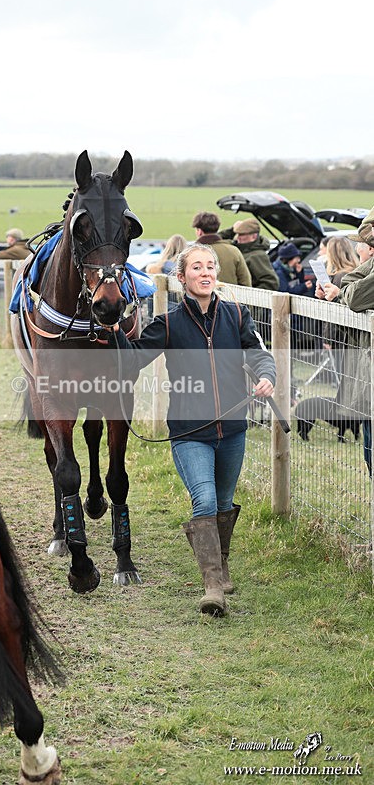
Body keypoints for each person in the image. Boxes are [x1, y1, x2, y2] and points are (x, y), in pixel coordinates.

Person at [105, 244, 276, 616]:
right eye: (197, 267)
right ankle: (213, 586)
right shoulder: (168, 324)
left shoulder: (236, 314)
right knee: (206, 501)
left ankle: (221, 565)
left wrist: (266, 375)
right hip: (188, 432)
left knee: (225, 503)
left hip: (232, 428)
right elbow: (131, 359)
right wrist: (115, 327)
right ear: (181, 278)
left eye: (210, 266)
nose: (206, 272)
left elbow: (258, 352)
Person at [315, 220, 374, 475]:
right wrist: (340, 293)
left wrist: (342, 293)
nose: (357, 248)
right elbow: (350, 286)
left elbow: (356, 296)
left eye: (360, 243)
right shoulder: (365, 267)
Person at [191, 211, 251, 286]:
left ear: (199, 231)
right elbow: (245, 282)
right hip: (230, 297)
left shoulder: (191, 254)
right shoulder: (234, 251)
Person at [221, 218, 279, 290]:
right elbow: (213, 239)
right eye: (238, 234)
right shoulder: (239, 249)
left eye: (242, 235)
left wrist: (249, 295)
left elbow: (271, 283)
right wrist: (231, 231)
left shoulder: (257, 256)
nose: (238, 237)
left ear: (254, 236)